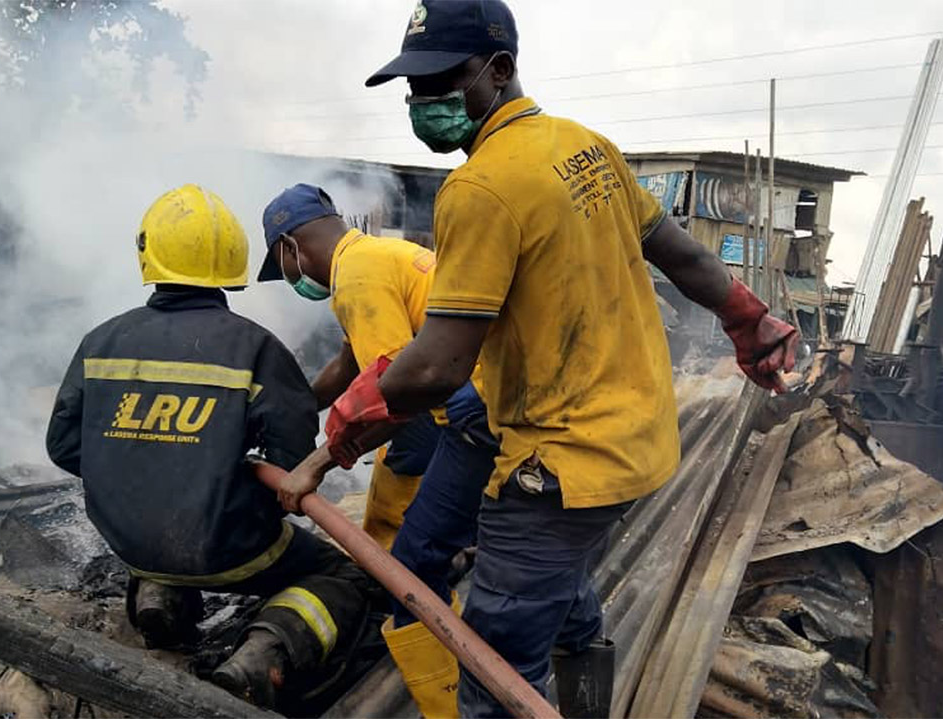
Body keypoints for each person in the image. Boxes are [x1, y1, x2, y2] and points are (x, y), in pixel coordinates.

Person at [275, 2, 801, 717]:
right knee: (565, 594)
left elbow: (434, 368)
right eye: (413, 88)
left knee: (496, 675)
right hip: (637, 438)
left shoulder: (480, 186)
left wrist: (327, 447)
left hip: (559, 460)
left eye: (439, 82)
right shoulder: (588, 147)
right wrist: (753, 324)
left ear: (499, 70)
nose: (423, 103)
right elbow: (681, 254)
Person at [45, 184, 384, 711]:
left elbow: (63, 446)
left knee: (160, 547)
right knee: (342, 575)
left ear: (147, 253)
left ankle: (160, 596)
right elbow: (289, 462)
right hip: (229, 549)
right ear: (233, 258)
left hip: (130, 542)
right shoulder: (257, 348)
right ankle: (263, 654)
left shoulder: (101, 341)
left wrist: (136, 467)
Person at [257, 184, 495, 717]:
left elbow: (395, 392)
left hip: (471, 412)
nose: (295, 280)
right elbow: (350, 366)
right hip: (465, 400)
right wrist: (292, 407)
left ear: (288, 248)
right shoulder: (373, 258)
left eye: (286, 268)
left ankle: (445, 694)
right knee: (395, 515)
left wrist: (316, 463)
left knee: (405, 560)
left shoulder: (357, 281)